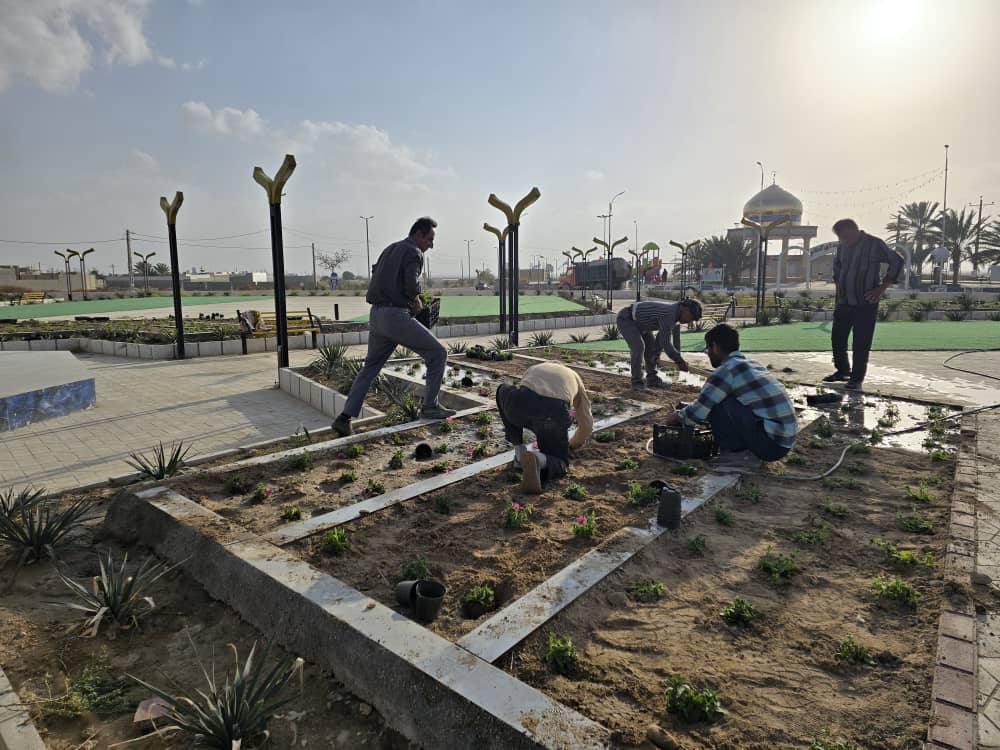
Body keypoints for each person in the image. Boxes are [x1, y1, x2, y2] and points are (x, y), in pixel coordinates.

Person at [332, 217, 454, 436]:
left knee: (370, 367)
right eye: (429, 239)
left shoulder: (390, 249)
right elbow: (411, 286)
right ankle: (430, 406)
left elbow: (378, 276)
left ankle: (344, 417)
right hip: (395, 316)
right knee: (438, 353)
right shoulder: (414, 252)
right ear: (418, 234)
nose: (431, 245)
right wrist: (417, 303)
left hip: (377, 315)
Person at [663, 323, 797, 465]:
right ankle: (745, 451)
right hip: (784, 441)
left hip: (771, 445)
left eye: (708, 348)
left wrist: (678, 417)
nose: (708, 353)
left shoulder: (727, 370)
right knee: (724, 399)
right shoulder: (753, 364)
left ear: (715, 347)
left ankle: (738, 454)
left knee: (717, 404)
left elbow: (701, 409)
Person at [824, 218, 904, 391]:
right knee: (837, 338)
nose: (843, 240)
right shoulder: (842, 246)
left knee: (861, 342)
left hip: (865, 303)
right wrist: (838, 284)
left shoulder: (874, 244)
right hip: (844, 302)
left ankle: (856, 379)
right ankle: (843, 371)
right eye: (840, 237)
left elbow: (897, 261)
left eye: (845, 236)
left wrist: (882, 287)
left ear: (854, 230)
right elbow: (838, 266)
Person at [495, 361, 594, 494]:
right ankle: (539, 459)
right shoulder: (574, 376)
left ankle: (519, 452)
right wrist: (572, 444)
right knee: (560, 462)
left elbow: (527, 394)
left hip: (519, 404)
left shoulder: (535, 367)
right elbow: (586, 424)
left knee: (502, 389)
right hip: (552, 413)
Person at [615, 298, 702, 390]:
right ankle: (637, 383)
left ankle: (652, 380)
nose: (690, 321)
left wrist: (656, 354)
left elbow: (661, 337)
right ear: (686, 309)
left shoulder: (674, 314)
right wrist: (679, 361)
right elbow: (665, 343)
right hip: (627, 319)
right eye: (691, 317)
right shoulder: (670, 314)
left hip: (642, 324)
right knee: (638, 348)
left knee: (651, 350)